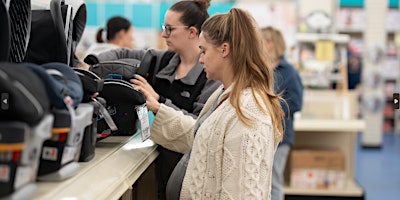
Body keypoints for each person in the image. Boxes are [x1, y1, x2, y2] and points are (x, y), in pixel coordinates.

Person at [137, 8, 285, 199]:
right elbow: (201, 136)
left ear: (224, 49)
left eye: (204, 51)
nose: (200, 60)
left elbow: (242, 193)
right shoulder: (224, 94)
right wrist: (158, 107)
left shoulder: (249, 111)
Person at [83, 1, 219, 199]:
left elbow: (198, 127)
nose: (163, 34)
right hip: (159, 168)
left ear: (192, 32)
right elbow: (121, 53)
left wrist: (159, 101)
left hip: (190, 179)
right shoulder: (161, 60)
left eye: (169, 29)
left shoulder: (210, 76)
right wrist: (89, 65)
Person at [261, 26, 303, 200]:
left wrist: (269, 109)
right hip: (262, 134)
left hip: (281, 135)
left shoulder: (289, 72)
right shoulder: (260, 68)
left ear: (269, 44)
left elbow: (296, 103)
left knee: (274, 180)